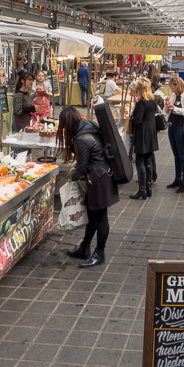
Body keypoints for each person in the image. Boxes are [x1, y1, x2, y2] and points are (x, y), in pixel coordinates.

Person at [57, 106, 118, 268]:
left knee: (101, 216)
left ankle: (99, 252)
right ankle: (85, 247)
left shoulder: (81, 139)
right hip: (102, 174)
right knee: (94, 215)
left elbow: (83, 167)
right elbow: (86, 159)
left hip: (98, 178)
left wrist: (74, 175)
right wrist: (78, 168)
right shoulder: (87, 125)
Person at [128, 77, 158, 199]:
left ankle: (142, 190)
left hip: (142, 135)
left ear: (140, 89)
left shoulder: (141, 103)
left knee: (140, 161)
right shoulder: (152, 101)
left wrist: (132, 118)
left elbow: (138, 120)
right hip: (151, 134)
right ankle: (148, 188)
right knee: (149, 160)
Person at [165, 76, 184, 193]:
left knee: (182, 154)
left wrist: (175, 109)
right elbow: (167, 111)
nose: (170, 88)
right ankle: (177, 178)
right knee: (176, 154)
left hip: (180, 126)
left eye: (171, 86)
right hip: (172, 126)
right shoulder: (173, 95)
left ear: (177, 85)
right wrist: (167, 104)